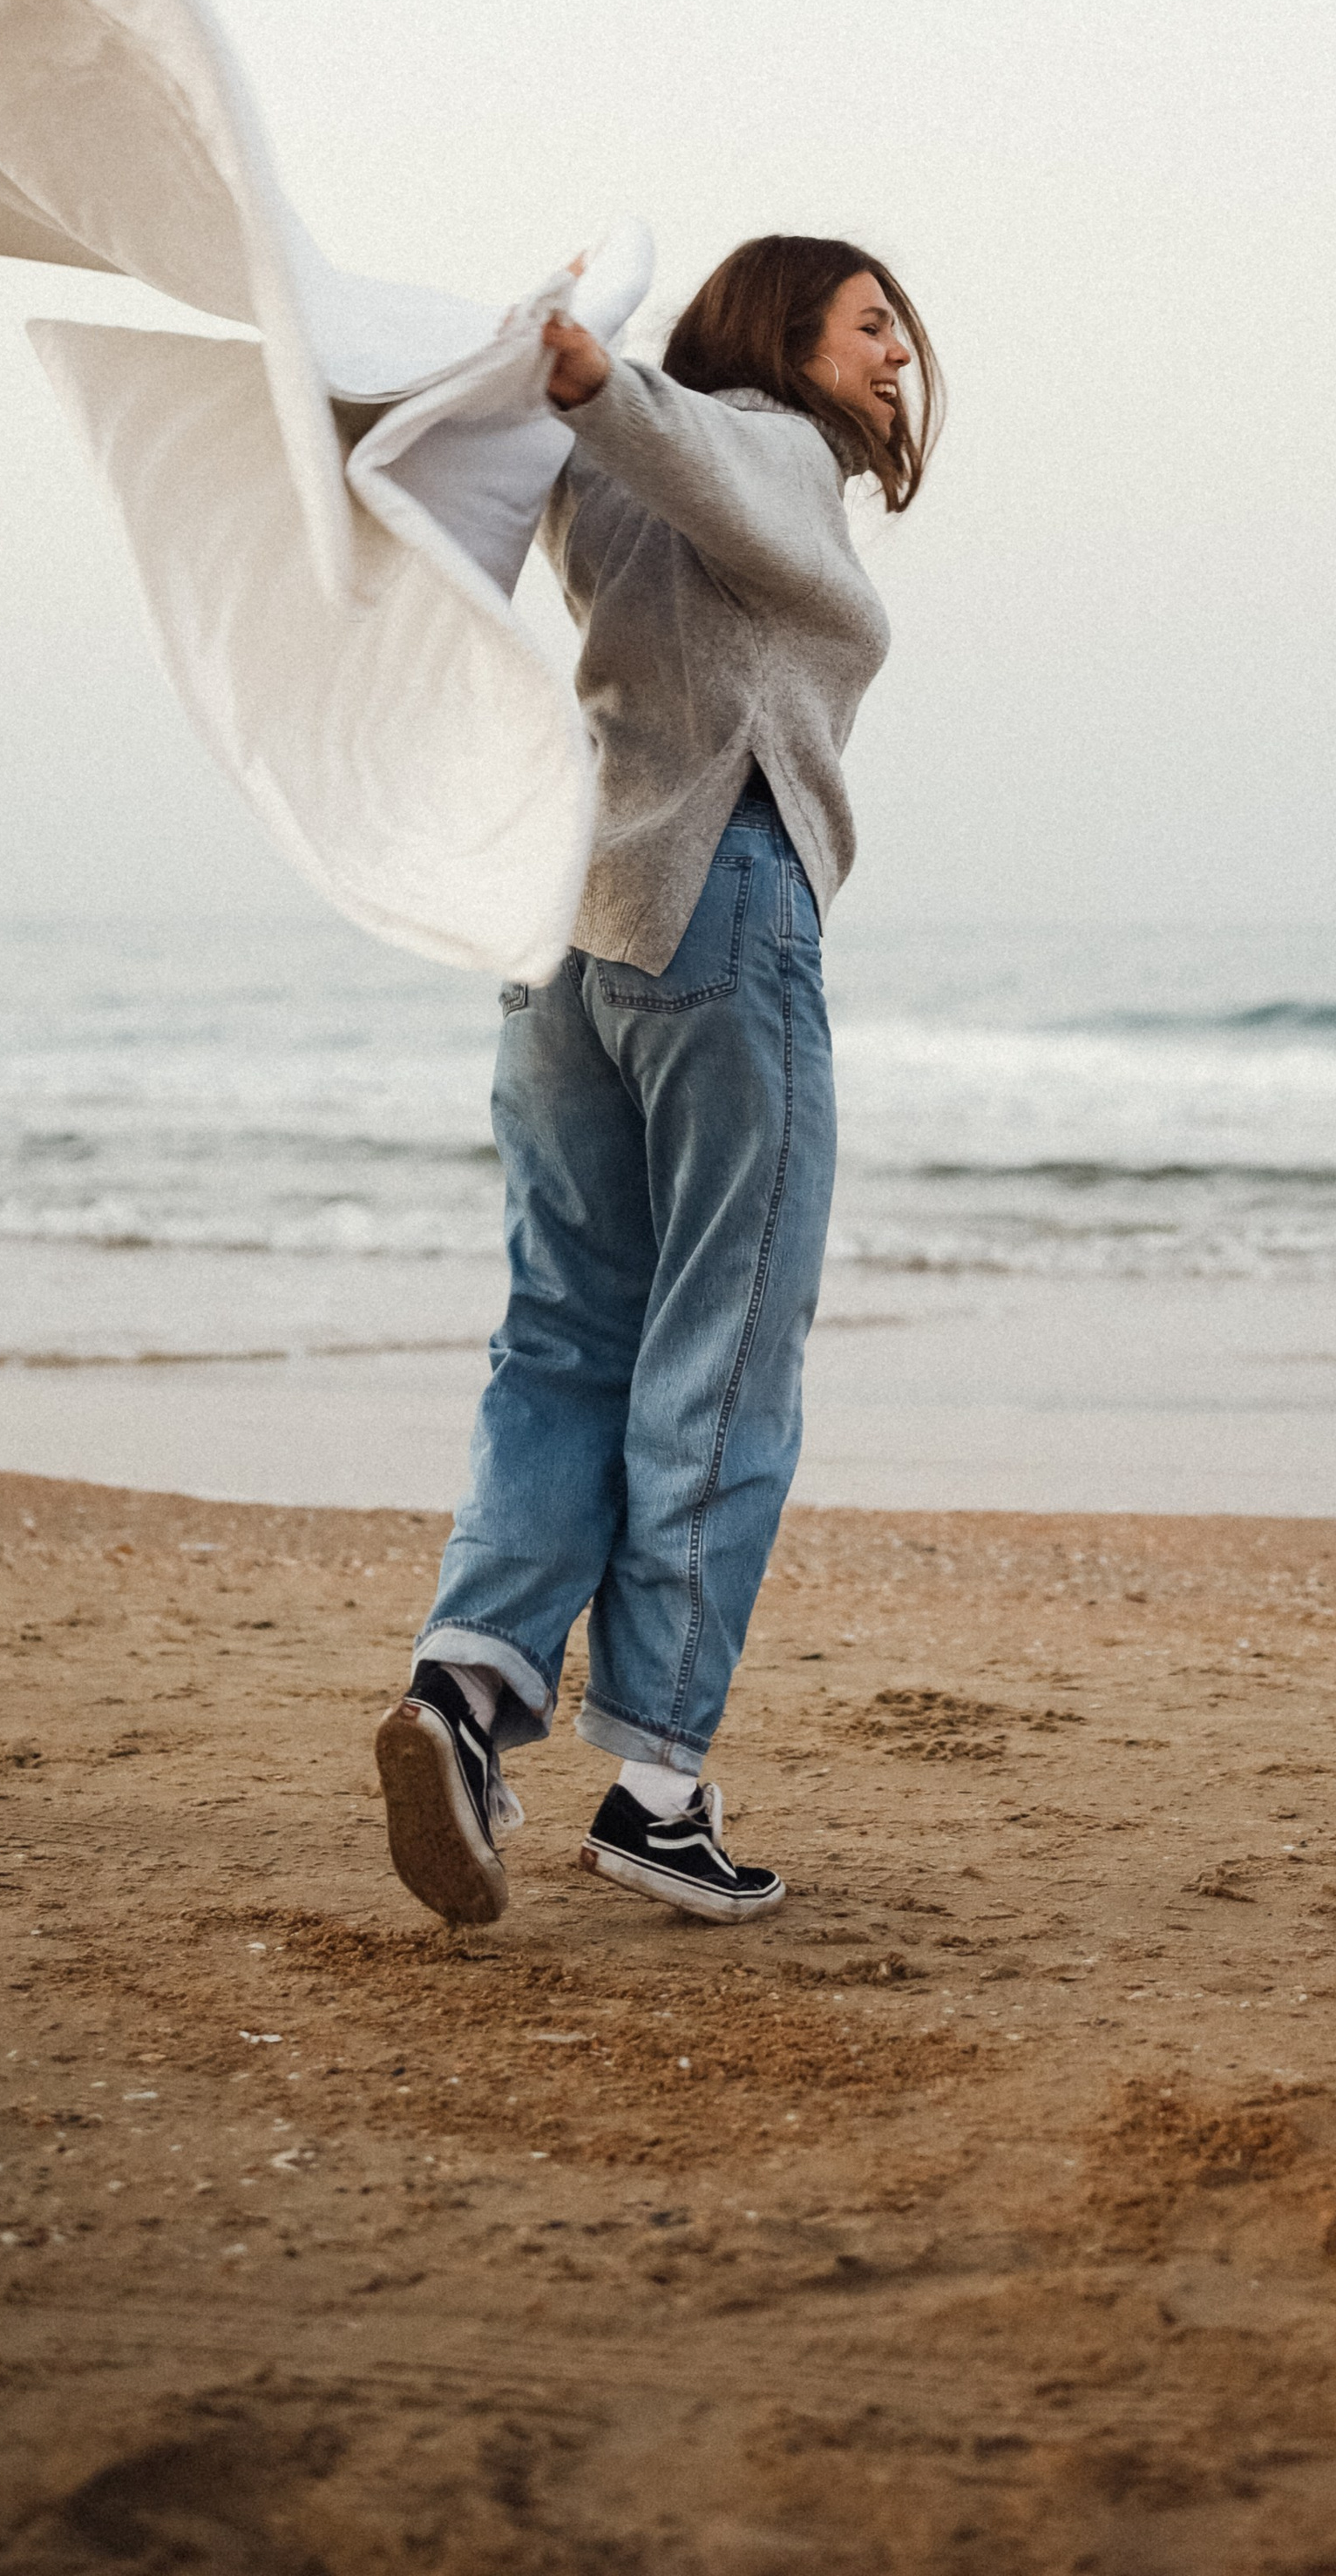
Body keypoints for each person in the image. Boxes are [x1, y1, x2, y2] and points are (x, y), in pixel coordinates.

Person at [373, 236, 941, 1926]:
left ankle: (466, 1694)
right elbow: (684, 436)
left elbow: (520, 469)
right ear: (782, 337)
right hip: (714, 908)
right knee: (722, 1352)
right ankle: (659, 1791)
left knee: (562, 1338)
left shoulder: (608, 481)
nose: (898, 358)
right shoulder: (749, 439)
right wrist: (591, 376)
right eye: (869, 327)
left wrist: (519, 391)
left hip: (563, 939)